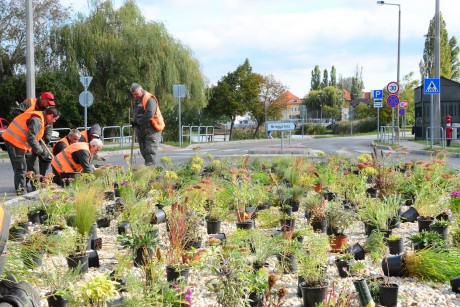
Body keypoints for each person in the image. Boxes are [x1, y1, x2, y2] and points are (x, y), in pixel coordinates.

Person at [2, 107, 60, 195]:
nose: (54, 121)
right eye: (55, 119)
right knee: (21, 169)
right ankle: (21, 192)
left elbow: (36, 138)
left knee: (34, 165)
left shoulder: (43, 120)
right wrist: (41, 152)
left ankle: (37, 190)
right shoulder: (37, 120)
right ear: (50, 116)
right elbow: (31, 138)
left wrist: (41, 151)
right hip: (13, 141)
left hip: (24, 144)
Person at [11, 92, 56, 179]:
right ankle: (30, 179)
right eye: (47, 103)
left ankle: (40, 178)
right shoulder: (29, 103)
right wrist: (29, 120)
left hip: (40, 136)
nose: (48, 106)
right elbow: (15, 112)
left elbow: (50, 125)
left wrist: (47, 138)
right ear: (42, 99)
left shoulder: (48, 110)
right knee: (30, 160)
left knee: (46, 158)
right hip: (28, 136)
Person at [130, 83, 165, 166]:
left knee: (150, 152)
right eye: (133, 94)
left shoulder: (149, 99)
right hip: (142, 130)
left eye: (136, 94)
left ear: (141, 90)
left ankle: (150, 174)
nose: (135, 96)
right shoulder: (138, 100)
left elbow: (149, 114)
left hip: (152, 129)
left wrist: (138, 121)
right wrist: (135, 122)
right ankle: (150, 170)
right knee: (144, 152)